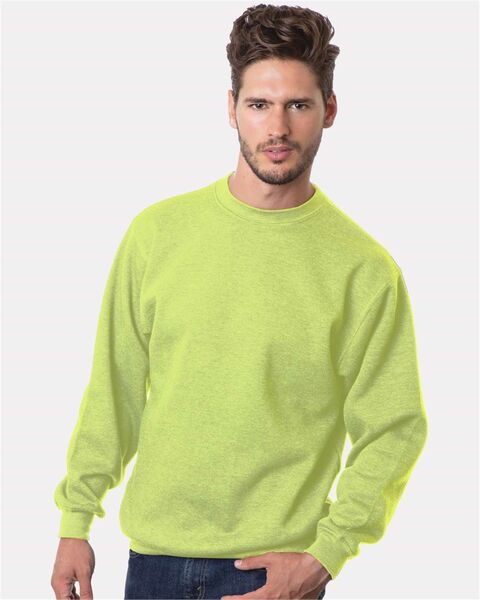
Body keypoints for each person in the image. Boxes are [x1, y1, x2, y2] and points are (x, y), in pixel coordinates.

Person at [50, 4, 428, 600]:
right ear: (231, 109)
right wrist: (76, 520)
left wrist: (326, 554)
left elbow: (394, 427)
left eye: (297, 105)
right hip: (154, 563)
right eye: (258, 105)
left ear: (329, 110)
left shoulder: (363, 270)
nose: (277, 127)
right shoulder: (157, 235)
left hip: (276, 573)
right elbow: (113, 391)